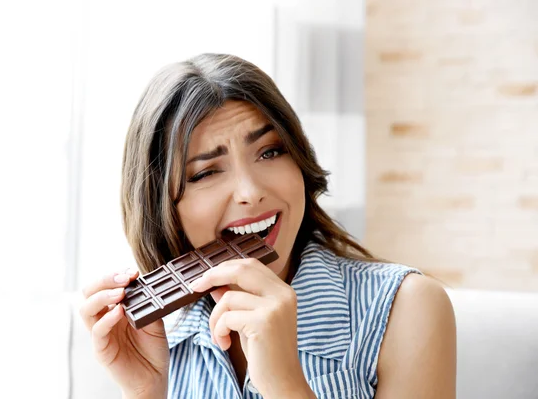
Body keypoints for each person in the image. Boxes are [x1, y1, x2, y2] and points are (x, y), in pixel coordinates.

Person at [78, 53, 456, 399]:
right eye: (207, 172)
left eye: (270, 151)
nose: (250, 192)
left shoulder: (406, 308)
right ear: (160, 209)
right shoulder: (161, 339)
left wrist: (283, 383)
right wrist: (147, 391)